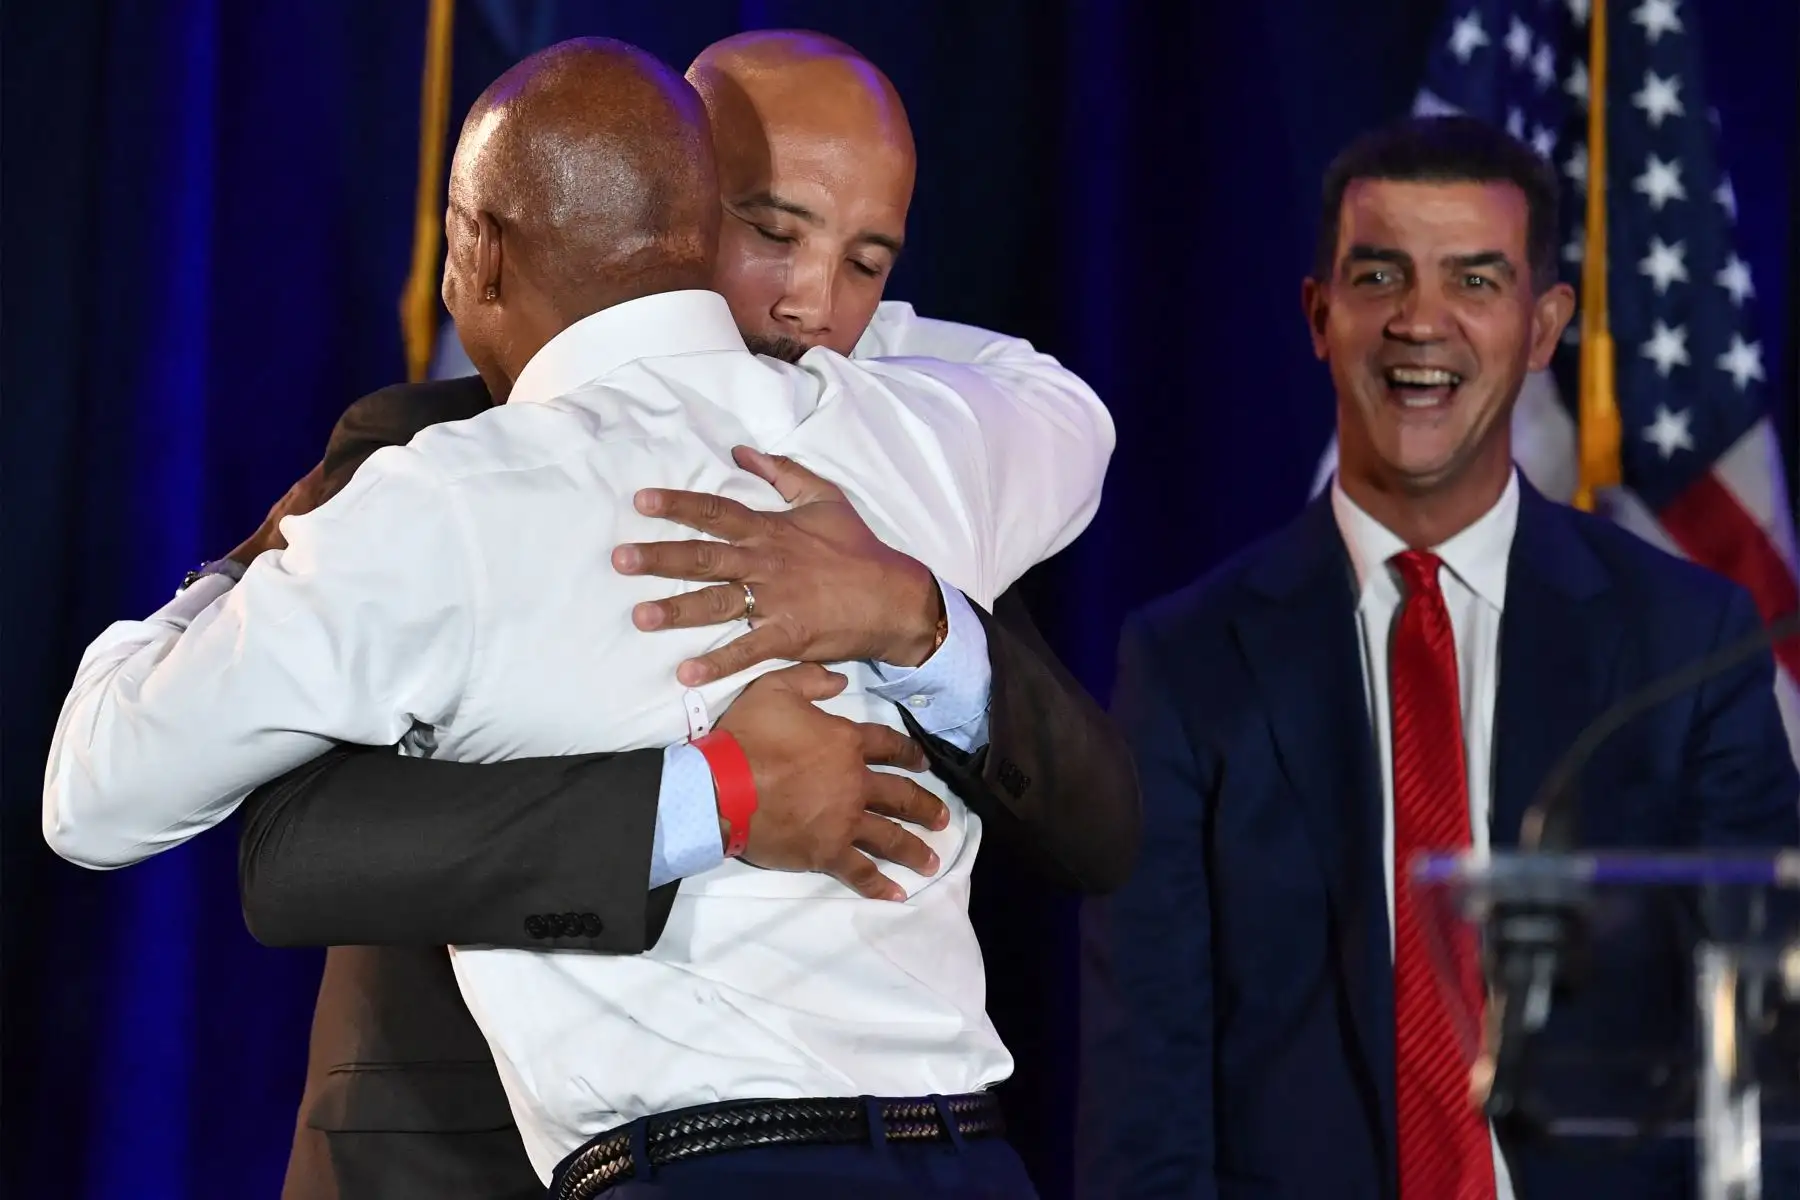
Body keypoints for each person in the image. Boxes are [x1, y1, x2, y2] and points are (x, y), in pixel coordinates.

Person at [44, 38, 1125, 1199]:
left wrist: (914, 611)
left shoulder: (449, 504)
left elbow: (97, 789)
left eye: (864, 262)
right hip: (910, 1162)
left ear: (476, 251)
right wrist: (723, 793)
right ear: (688, 210)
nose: (815, 304)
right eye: (774, 232)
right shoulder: (913, 444)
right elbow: (1069, 417)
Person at [1076, 115, 1800, 1200]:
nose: (1422, 322)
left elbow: (1761, 1057)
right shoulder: (1186, 665)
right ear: (1320, 317)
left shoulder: (1683, 642)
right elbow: (1147, 1102)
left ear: (1544, 324)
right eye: (1380, 276)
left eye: (1475, 281)